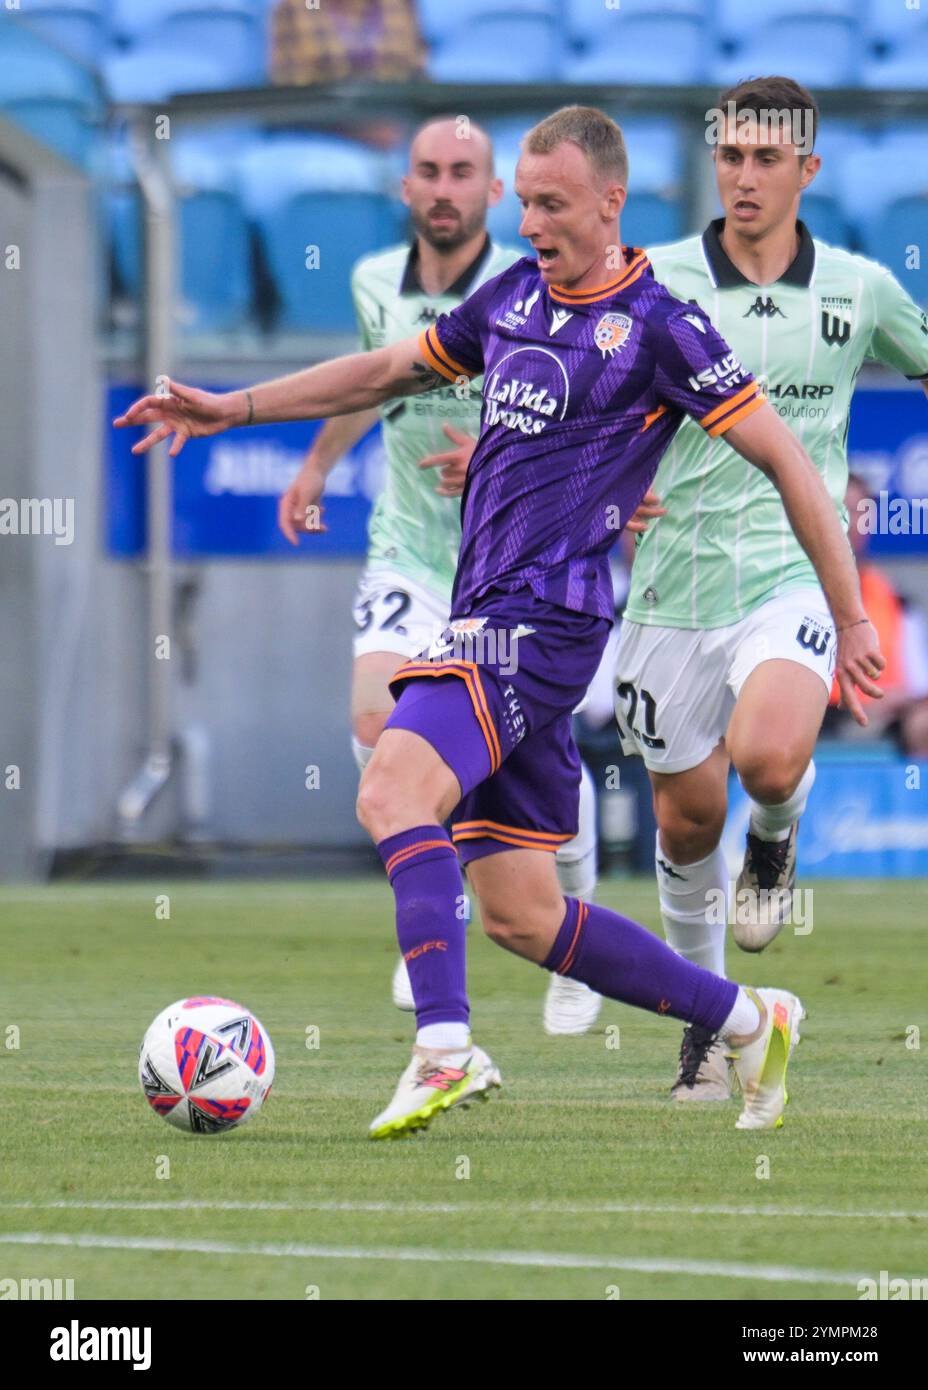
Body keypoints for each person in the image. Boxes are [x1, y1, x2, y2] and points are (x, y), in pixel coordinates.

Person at [115, 106, 883, 1140]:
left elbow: (787, 460)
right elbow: (388, 369)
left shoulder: (661, 327)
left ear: (613, 202)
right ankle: (749, 1017)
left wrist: (847, 614)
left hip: (544, 622)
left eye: (553, 204)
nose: (531, 221)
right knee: (523, 913)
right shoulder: (514, 295)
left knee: (391, 787)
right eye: (523, 201)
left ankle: (443, 1046)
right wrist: (231, 408)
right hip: (487, 614)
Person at [612, 75, 928, 1103]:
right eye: (730, 156)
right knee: (683, 823)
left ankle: (778, 837)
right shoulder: (648, 280)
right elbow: (584, 399)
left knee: (766, 752)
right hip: (667, 589)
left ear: (807, 169)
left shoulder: (860, 289)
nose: (744, 176)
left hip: (791, 569)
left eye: (765, 158)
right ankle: (708, 1021)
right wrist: (605, 495)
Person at [277, 115, 604, 1036]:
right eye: (429, 171)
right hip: (413, 550)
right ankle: (433, 905)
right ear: (406, 188)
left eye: (465, 172)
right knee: (376, 720)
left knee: (537, 760)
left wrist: (503, 456)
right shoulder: (373, 281)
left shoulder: (533, 285)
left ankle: (571, 917)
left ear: (495, 193)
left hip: (517, 566)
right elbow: (378, 379)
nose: (446, 187)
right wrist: (314, 466)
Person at [821, 474, 928, 756]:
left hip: (881, 716)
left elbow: (919, 684)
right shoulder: (790, 591)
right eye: (840, 509)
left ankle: (914, 795)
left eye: (860, 512)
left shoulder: (897, 601)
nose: (850, 522)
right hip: (810, 711)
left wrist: (897, 700)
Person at [270, 0, 426, 86]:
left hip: (394, 123)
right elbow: (291, 90)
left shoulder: (398, 5)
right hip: (325, 129)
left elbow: (417, 75)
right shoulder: (301, 6)